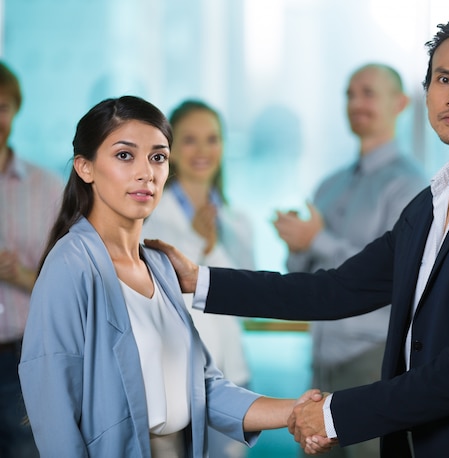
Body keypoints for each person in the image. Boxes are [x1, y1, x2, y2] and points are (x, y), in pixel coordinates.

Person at [148, 8, 449, 457]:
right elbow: (336, 290)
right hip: (414, 442)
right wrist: (199, 281)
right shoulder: (430, 204)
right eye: (443, 79)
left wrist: (333, 415)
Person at [17, 95, 325, 458]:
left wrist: (302, 410)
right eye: (124, 155)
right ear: (85, 168)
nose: (146, 172)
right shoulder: (70, 266)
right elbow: (54, 416)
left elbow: (203, 388)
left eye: (158, 157)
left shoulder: (161, 267)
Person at [272, 63, 425, 458]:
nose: (356, 102)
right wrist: (298, 244)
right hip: (322, 366)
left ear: (401, 103)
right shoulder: (329, 185)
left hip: (372, 365)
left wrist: (317, 239)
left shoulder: (409, 186)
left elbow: (389, 273)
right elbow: (304, 279)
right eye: (350, 94)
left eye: (369, 92)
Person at [142, 99, 253, 458]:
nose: (203, 150)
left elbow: (250, 291)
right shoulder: (148, 215)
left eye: (212, 139)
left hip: (229, 372)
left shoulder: (237, 220)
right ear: (169, 150)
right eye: (190, 140)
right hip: (167, 374)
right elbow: (154, 288)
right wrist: (197, 240)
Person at [0, 61, 63, 457]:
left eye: (2, 107)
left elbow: (71, 285)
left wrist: (21, 274)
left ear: (16, 110)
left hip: (24, 358)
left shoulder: (47, 188)